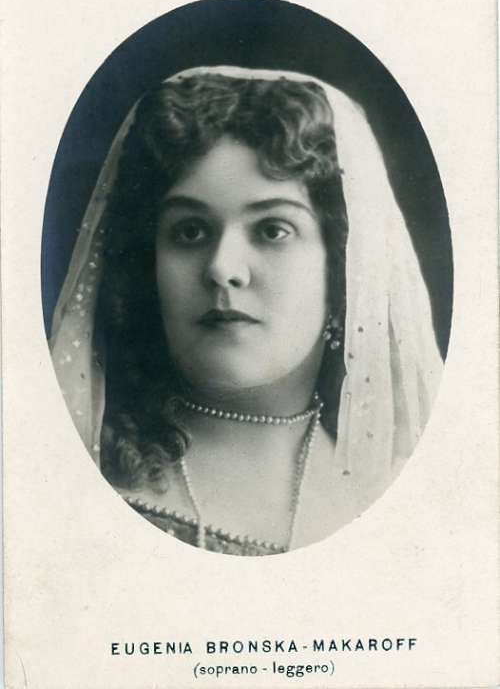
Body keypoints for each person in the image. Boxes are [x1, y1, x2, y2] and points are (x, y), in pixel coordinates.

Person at [49, 66, 443, 555]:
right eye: (190, 231)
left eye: (272, 230)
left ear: (342, 266)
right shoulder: (70, 472)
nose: (221, 268)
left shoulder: (395, 502)